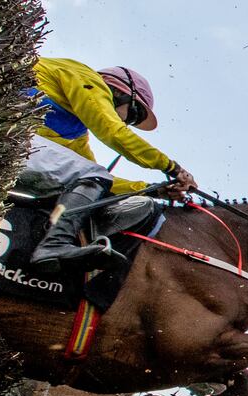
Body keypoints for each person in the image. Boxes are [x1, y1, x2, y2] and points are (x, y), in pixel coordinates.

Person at [20, 57, 197, 273]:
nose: (127, 122)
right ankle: (53, 246)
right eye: (133, 114)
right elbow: (112, 131)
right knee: (93, 174)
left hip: (11, 145)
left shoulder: (75, 133)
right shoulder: (88, 78)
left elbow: (100, 183)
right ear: (120, 91)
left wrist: (154, 189)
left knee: (93, 176)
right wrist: (172, 168)